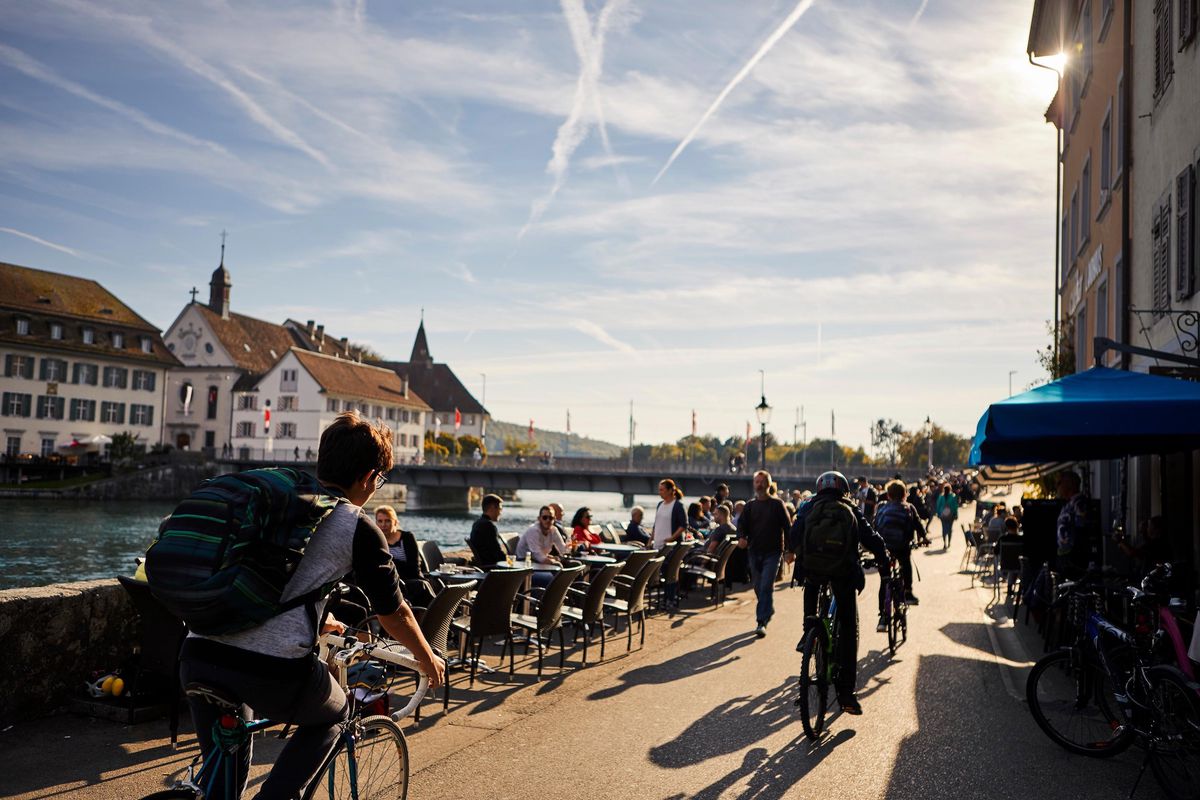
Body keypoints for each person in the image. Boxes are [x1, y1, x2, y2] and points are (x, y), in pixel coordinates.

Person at [178, 411, 444, 800]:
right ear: (369, 477)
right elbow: (395, 613)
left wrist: (320, 620)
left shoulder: (279, 501)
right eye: (379, 480)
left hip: (197, 651)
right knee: (337, 714)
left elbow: (265, 577)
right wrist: (427, 657)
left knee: (222, 786)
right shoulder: (356, 526)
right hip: (269, 669)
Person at [789, 470, 889, 716]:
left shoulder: (807, 507)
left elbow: (793, 537)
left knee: (811, 587)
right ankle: (846, 694)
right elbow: (871, 538)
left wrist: (795, 555)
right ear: (844, 489)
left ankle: (808, 631)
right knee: (847, 628)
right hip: (843, 572)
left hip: (813, 570)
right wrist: (883, 559)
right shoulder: (850, 508)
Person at [736, 470, 791, 638]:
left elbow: (788, 528)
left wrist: (790, 551)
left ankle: (761, 621)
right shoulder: (750, 506)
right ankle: (768, 608)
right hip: (754, 551)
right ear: (754, 484)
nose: (759, 484)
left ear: (768, 484)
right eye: (756, 482)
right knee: (759, 586)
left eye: (762, 481)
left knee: (766, 585)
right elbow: (741, 525)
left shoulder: (777, 504)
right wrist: (741, 538)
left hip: (773, 552)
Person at [872, 480, 924, 630]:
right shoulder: (909, 507)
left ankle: (882, 616)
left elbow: (875, 526)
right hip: (901, 546)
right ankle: (908, 592)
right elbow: (918, 525)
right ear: (904, 494)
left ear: (888, 495)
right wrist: (924, 538)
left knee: (885, 580)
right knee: (906, 563)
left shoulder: (881, 507)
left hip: (884, 548)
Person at [375, 505, 434, 609]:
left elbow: (414, 568)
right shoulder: (376, 541)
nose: (383, 525)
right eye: (380, 521)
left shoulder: (407, 538)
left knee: (422, 586)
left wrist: (391, 563)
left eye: (387, 521)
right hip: (391, 582)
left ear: (395, 522)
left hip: (411, 579)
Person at [517, 506, 568, 586]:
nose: (548, 520)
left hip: (538, 562)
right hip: (525, 564)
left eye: (550, 518)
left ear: (554, 519)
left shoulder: (554, 530)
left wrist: (572, 546)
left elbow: (563, 549)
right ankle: (553, 596)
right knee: (556, 570)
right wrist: (553, 561)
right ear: (539, 518)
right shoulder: (533, 531)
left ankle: (573, 595)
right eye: (545, 517)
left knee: (575, 565)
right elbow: (538, 555)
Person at [1055, 471, 1090, 576]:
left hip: (1072, 557)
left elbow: (1082, 528)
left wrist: (1073, 552)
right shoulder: (1070, 503)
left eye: (1059, 483)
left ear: (1068, 484)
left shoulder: (1079, 502)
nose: (1057, 487)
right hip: (1065, 554)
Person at [468, 493, 507, 568]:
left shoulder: (477, 523)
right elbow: (497, 553)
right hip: (492, 567)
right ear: (492, 508)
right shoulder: (488, 526)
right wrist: (513, 561)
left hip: (484, 565)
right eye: (500, 509)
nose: (500, 513)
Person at [652, 479, 687, 549]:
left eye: (662, 490)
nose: (660, 492)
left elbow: (683, 525)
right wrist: (650, 540)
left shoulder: (678, 506)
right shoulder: (660, 504)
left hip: (671, 547)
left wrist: (671, 539)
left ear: (670, 490)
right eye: (659, 490)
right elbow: (656, 525)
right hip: (657, 545)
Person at [934, 483, 958, 549]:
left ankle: (944, 543)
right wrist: (956, 515)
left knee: (944, 529)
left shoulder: (941, 497)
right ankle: (949, 543)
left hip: (943, 515)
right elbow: (955, 506)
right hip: (951, 515)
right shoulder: (953, 496)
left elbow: (938, 506)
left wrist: (938, 514)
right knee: (950, 529)